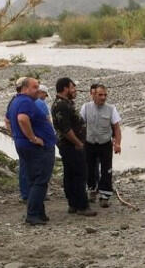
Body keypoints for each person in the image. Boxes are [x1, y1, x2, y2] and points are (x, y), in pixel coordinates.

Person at [7, 78, 57, 225]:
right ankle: (33, 214)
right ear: (25, 88)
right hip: (36, 147)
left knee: (34, 179)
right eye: (35, 87)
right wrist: (33, 138)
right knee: (40, 180)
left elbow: (10, 120)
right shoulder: (25, 102)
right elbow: (22, 119)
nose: (38, 89)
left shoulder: (16, 101)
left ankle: (39, 212)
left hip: (24, 145)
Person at [51, 77, 97, 217]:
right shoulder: (61, 105)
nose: (75, 90)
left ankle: (73, 204)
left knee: (71, 174)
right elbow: (66, 129)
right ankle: (82, 206)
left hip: (70, 145)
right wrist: (78, 143)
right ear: (65, 88)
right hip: (71, 146)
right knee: (79, 174)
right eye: (73, 87)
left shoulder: (65, 103)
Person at [80, 84, 122, 208]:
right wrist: (79, 141)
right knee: (89, 168)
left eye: (105, 95)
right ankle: (92, 190)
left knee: (106, 170)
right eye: (100, 95)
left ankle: (105, 195)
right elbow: (80, 125)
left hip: (105, 144)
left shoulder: (111, 109)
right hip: (89, 143)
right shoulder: (86, 107)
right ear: (93, 95)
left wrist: (117, 143)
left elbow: (116, 128)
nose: (103, 97)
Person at [4, 78, 31, 202]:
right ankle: (27, 194)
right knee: (27, 166)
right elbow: (19, 120)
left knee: (24, 165)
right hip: (26, 139)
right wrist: (32, 137)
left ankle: (25, 193)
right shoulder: (23, 101)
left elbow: (7, 120)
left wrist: (13, 133)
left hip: (19, 138)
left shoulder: (13, 101)